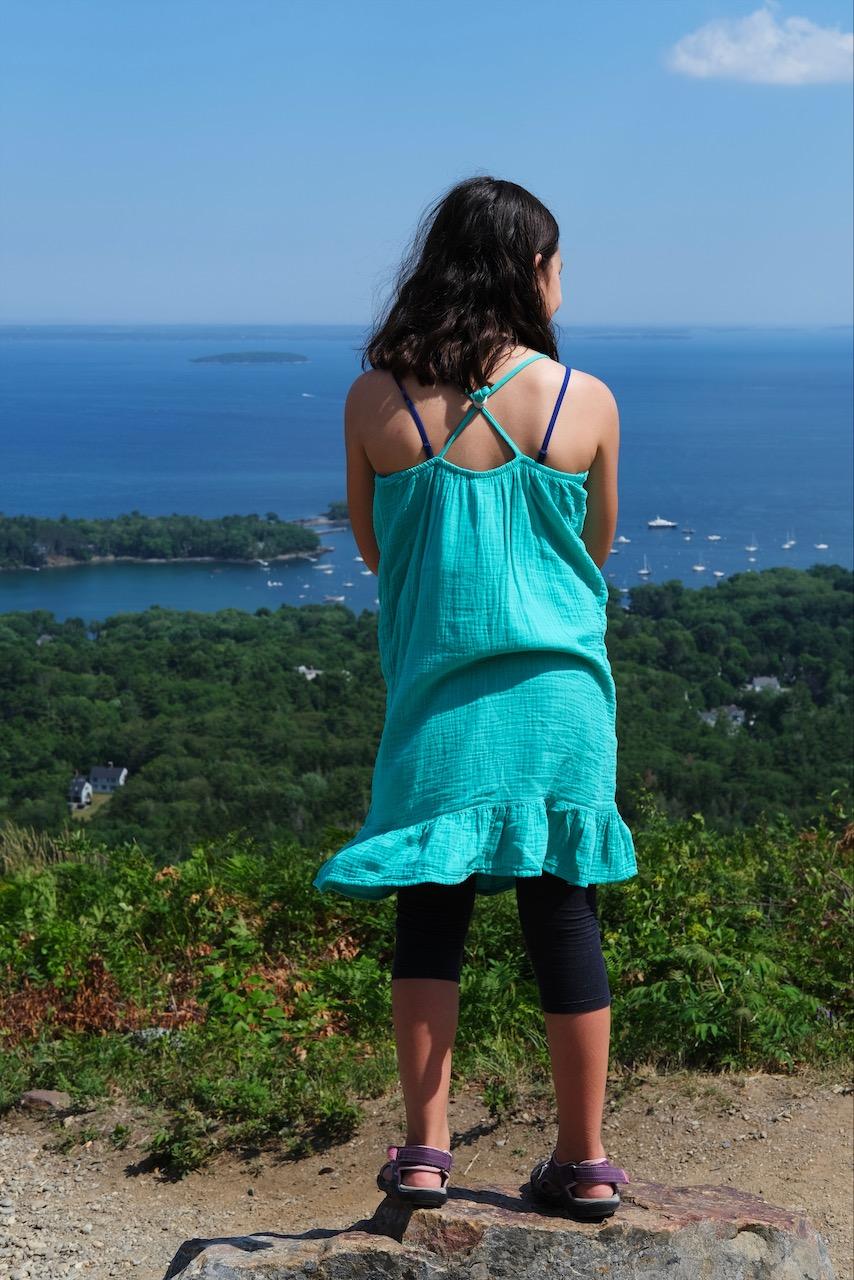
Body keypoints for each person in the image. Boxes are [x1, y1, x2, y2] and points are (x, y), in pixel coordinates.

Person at [312, 175, 636, 1220]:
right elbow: (592, 549)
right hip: (559, 694)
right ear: (524, 269)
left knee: (430, 910)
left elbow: (373, 546)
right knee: (562, 908)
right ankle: (583, 1157)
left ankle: (422, 1150)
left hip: (437, 694)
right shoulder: (583, 397)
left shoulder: (376, 398)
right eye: (552, 259)